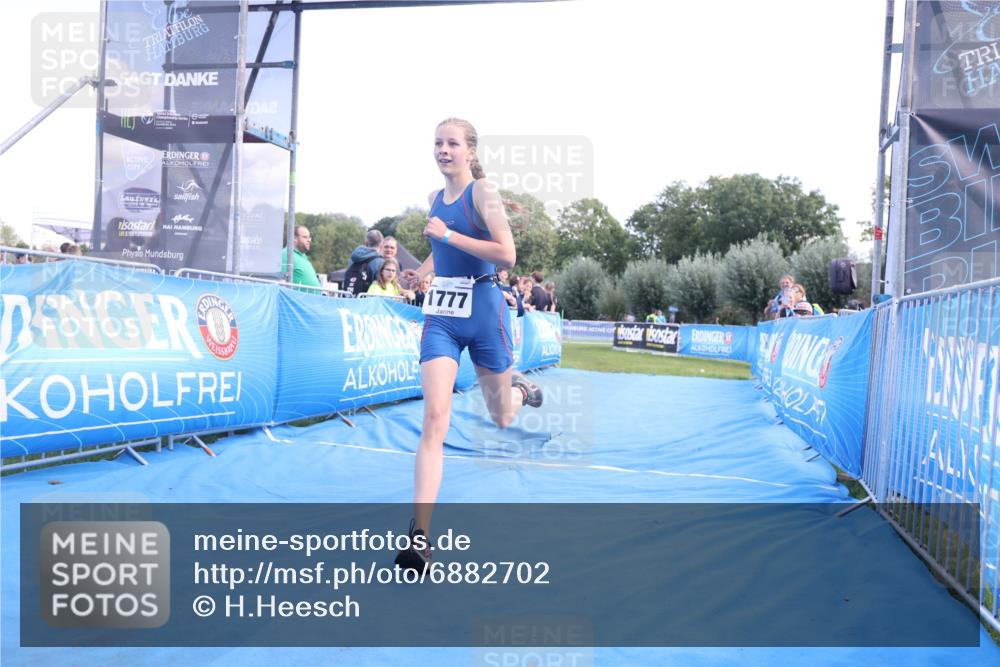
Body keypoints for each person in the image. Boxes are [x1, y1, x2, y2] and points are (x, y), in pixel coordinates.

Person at [395, 118, 543, 572]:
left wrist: (447, 235)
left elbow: (507, 255)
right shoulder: (433, 199)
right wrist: (420, 272)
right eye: (438, 143)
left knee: (502, 416)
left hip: (484, 310)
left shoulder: (484, 193)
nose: (443, 150)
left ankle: (518, 390)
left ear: (470, 152)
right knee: (435, 417)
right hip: (442, 315)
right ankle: (420, 537)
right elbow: (442, 251)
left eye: (452, 143)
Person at [344, 229, 386, 296]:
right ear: (381, 244)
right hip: (367, 301)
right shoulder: (380, 262)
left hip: (349, 299)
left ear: (366, 242)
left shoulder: (353, 259)